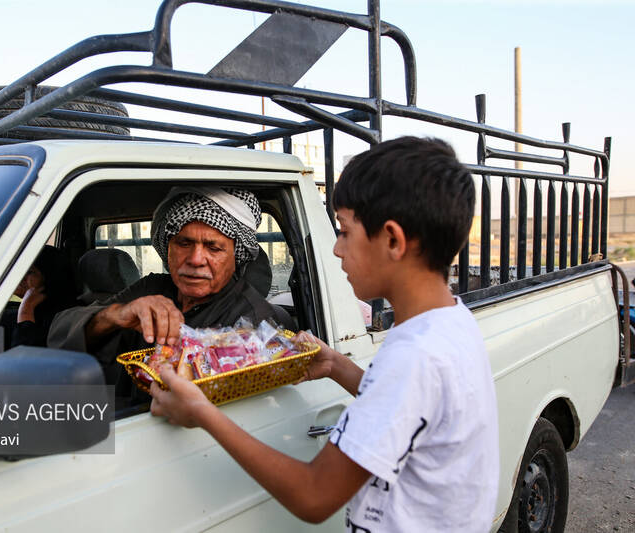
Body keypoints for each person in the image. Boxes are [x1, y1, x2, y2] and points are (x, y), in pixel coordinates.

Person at [149, 137, 500, 532]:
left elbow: (314, 495)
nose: (336, 249)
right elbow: (407, 404)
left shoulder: (414, 355)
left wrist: (202, 413)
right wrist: (336, 365)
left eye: (344, 232)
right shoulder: (447, 322)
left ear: (392, 240)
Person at [47, 186, 293, 403]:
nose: (195, 259)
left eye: (213, 247)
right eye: (184, 244)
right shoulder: (151, 288)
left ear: (235, 257)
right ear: (168, 247)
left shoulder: (254, 320)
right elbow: (60, 334)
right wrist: (115, 315)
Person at [3, 245, 76, 348]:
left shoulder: (61, 320)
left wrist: (26, 309)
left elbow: (24, 354)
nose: (21, 277)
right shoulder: (36, 312)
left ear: (49, 277)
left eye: (29, 272)